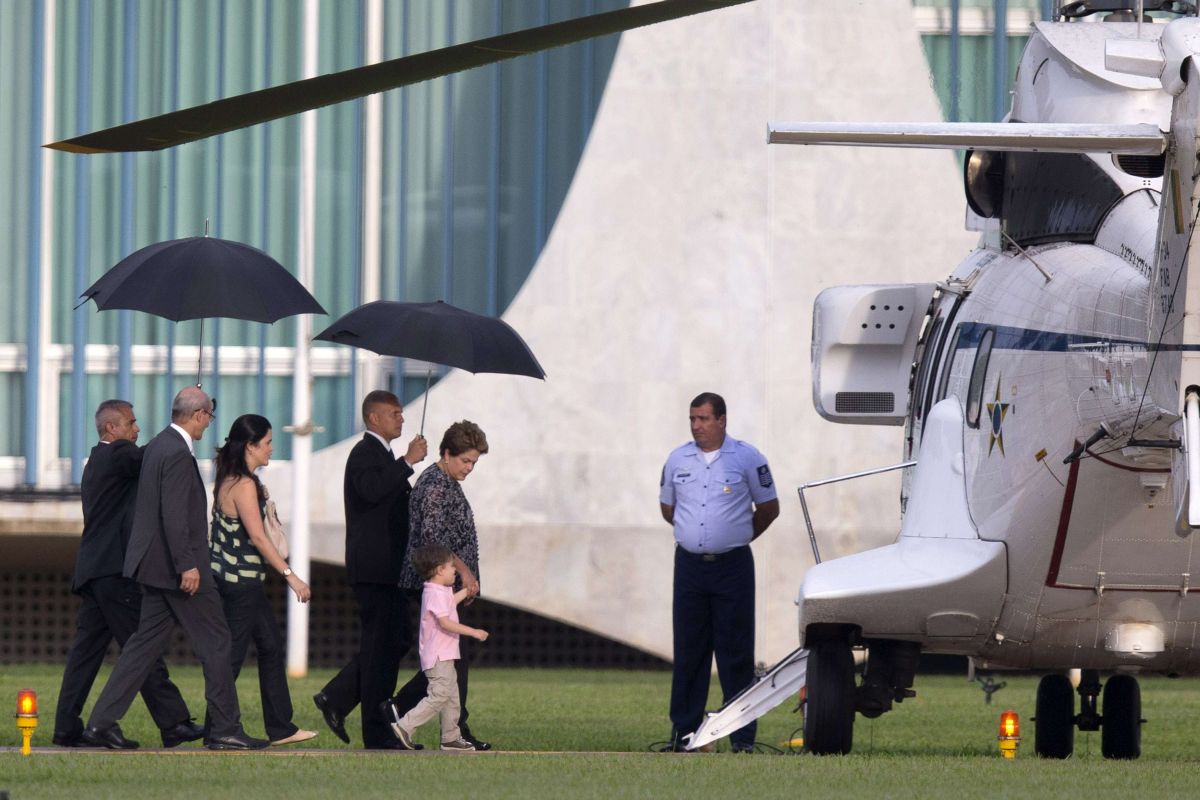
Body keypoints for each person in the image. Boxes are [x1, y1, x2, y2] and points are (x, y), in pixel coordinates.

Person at [82, 386, 267, 751]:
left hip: (151, 565)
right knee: (217, 641)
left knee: (141, 648)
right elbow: (174, 514)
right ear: (198, 415)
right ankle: (225, 730)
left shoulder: (160, 445)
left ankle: (101, 723)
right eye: (209, 416)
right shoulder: (177, 453)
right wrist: (187, 565)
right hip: (176, 567)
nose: (209, 423)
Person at [53, 400, 203, 749]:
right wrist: (183, 423)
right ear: (111, 429)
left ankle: (66, 728)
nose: (137, 430)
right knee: (143, 646)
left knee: (85, 656)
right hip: (113, 573)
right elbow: (154, 455)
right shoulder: (118, 454)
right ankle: (174, 723)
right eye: (131, 424)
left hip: (94, 572)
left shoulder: (99, 460)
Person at [658, 392, 780, 753]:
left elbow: (769, 507)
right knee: (690, 651)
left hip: (732, 567)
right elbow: (669, 509)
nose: (697, 426)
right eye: (693, 419)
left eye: (704, 419)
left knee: (735, 653)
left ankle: (741, 738)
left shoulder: (747, 458)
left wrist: (736, 534)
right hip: (690, 568)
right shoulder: (677, 459)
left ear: (722, 420)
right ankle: (685, 734)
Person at [313, 390, 427, 749]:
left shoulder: (383, 455)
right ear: (374, 418)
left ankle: (338, 695)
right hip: (375, 570)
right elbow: (371, 490)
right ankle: (375, 732)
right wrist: (408, 462)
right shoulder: (364, 453)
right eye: (395, 413)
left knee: (394, 641)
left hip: (390, 570)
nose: (402, 419)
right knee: (383, 647)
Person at [384, 419, 492, 751]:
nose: (470, 468)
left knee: (452, 658)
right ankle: (409, 714)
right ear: (447, 453)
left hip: (447, 586)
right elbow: (432, 543)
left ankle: (448, 728)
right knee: (447, 659)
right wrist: (465, 572)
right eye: (465, 460)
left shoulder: (448, 480)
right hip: (429, 585)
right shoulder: (433, 485)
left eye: (474, 462)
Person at [210, 413, 317, 746]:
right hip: (240, 583)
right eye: (268, 442)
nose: (272, 448)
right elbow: (258, 537)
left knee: (271, 646)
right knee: (232, 658)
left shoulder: (233, 477)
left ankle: (280, 726)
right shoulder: (242, 484)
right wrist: (291, 577)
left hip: (245, 582)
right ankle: (221, 730)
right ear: (251, 446)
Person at [388, 544, 489, 751]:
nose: (455, 570)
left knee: (453, 698)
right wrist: (473, 632)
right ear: (439, 570)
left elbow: (450, 603)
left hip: (446, 654)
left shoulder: (439, 591)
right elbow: (445, 623)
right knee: (440, 695)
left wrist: (465, 591)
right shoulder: (433, 593)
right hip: (437, 657)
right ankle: (405, 726)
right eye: (452, 567)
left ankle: (451, 738)